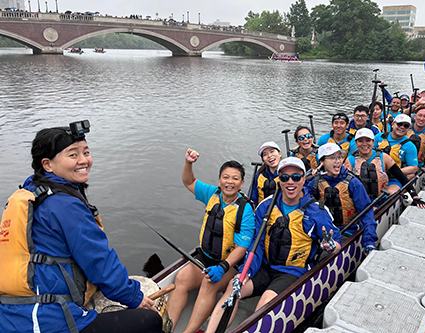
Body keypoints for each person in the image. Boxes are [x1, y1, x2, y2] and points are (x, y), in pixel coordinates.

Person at [0, 122, 162, 333]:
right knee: (150, 321)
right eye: (73, 155)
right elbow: (99, 262)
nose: (84, 160)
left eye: (86, 152)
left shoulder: (30, 193)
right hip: (47, 320)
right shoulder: (65, 205)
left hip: (11, 314)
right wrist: (134, 298)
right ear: (47, 165)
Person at [205, 157, 341, 333]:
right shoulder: (266, 206)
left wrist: (330, 246)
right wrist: (245, 272)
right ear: (279, 180)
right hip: (266, 267)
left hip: (293, 271)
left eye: (296, 177)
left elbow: (337, 244)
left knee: (266, 301)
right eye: (284, 178)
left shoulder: (317, 211)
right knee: (234, 286)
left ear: (303, 179)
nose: (290, 182)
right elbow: (257, 245)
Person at [166, 149, 255, 333]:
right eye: (225, 177)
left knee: (208, 283)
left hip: (229, 266)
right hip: (206, 257)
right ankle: (168, 328)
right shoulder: (212, 194)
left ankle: (188, 332)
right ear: (220, 179)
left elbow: (242, 248)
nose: (229, 182)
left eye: (235, 178)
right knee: (181, 278)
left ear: (242, 183)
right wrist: (189, 163)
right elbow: (189, 181)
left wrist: (222, 267)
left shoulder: (245, 210)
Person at [308, 143, 378, 253]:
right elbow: (299, 198)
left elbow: (366, 212)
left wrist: (369, 241)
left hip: (348, 231)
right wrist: (305, 179)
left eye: (340, 157)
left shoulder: (353, 183)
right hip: (324, 230)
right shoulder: (315, 182)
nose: (338, 161)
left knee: (324, 256)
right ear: (322, 162)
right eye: (332, 158)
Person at [345, 129, 425, 209]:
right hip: (361, 200)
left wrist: (414, 196)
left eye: (368, 140)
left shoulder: (384, 157)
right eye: (360, 141)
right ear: (356, 143)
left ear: (373, 142)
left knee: (391, 194)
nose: (364, 144)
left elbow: (401, 177)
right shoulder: (350, 160)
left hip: (381, 197)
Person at [374, 114, 419, 179]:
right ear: (392, 124)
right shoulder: (379, 136)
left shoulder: (410, 146)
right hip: (375, 173)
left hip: (394, 178)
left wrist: (393, 172)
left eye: (406, 126)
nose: (402, 127)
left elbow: (413, 168)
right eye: (399, 124)